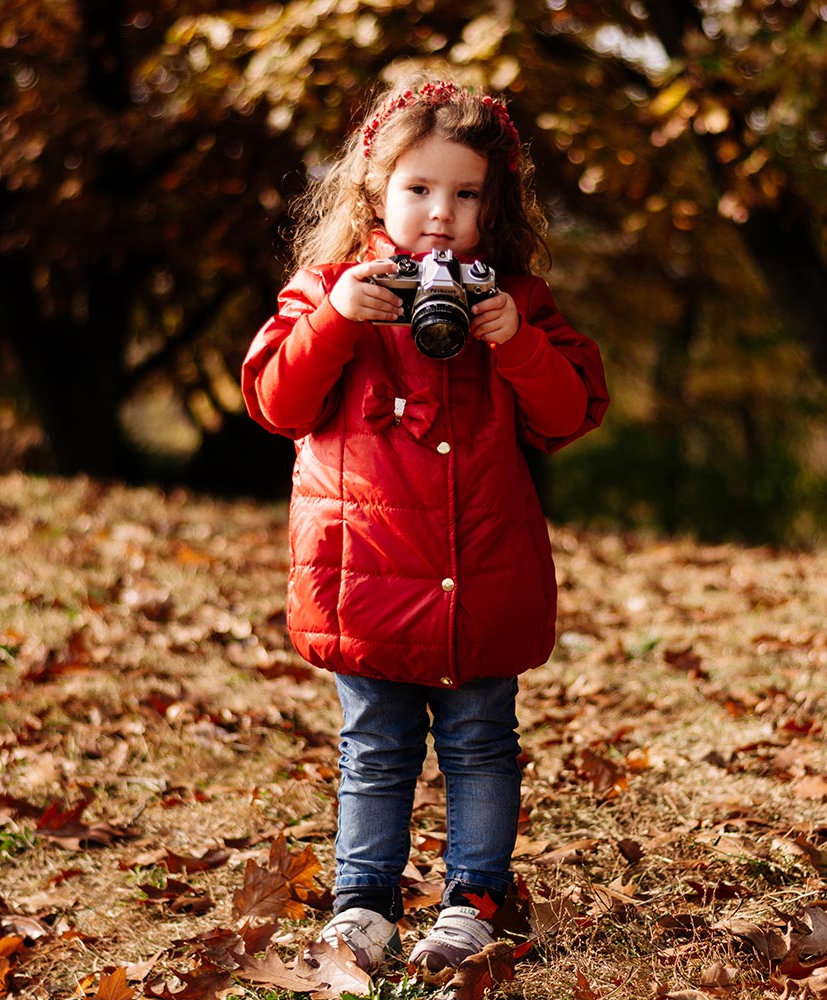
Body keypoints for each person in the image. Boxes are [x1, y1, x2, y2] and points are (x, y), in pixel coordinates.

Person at [240, 78, 608, 973]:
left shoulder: (514, 300)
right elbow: (276, 402)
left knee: (483, 743)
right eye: (419, 189)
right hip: (365, 578)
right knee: (374, 748)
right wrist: (332, 321)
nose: (441, 214)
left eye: (466, 193)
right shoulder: (328, 291)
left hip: (481, 575)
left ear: (494, 204)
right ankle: (362, 900)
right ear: (374, 189)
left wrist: (515, 337)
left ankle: (475, 896)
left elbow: (569, 413)